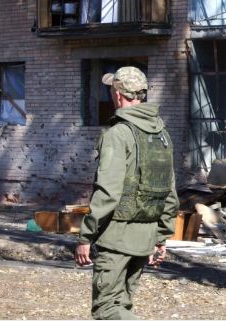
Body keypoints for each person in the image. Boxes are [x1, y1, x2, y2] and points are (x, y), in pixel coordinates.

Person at [74, 66, 178, 320]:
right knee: (123, 305)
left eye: (112, 89)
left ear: (118, 94)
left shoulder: (118, 133)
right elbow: (170, 192)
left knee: (108, 310)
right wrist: (160, 237)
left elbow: (108, 192)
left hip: (116, 238)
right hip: (144, 239)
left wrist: (86, 236)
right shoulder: (161, 134)